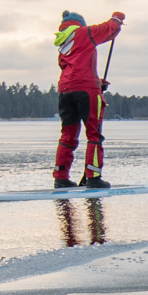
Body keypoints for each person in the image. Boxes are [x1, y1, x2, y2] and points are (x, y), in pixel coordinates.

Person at [53, 10, 124, 189]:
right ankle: (93, 177)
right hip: (86, 91)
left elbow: (74, 68)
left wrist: (97, 83)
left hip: (65, 90)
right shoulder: (84, 33)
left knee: (67, 136)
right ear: (79, 23)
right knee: (94, 134)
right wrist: (117, 18)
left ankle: (61, 177)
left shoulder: (62, 42)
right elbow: (110, 29)